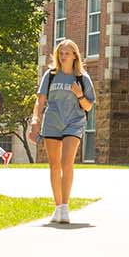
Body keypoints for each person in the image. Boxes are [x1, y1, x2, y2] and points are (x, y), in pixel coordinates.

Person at [29, 38, 95, 225]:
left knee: (67, 163)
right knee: (54, 165)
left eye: (67, 53)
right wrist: (35, 120)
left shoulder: (82, 78)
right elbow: (40, 101)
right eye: (61, 53)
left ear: (75, 55)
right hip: (52, 122)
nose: (64, 56)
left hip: (74, 123)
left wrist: (79, 94)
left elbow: (88, 106)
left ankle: (65, 206)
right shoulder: (50, 75)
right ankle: (57, 206)